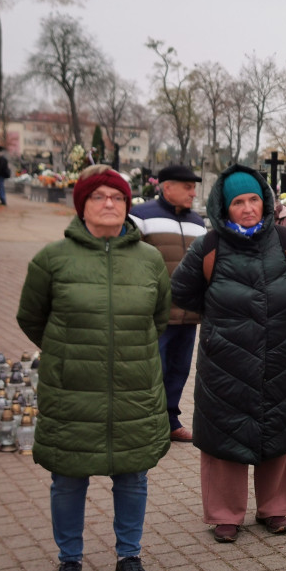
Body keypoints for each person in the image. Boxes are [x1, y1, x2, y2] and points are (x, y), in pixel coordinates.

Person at [16, 165, 171, 571]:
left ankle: (129, 555)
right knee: (68, 478)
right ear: (81, 205)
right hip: (73, 389)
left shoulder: (149, 260)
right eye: (99, 196)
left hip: (133, 387)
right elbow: (31, 317)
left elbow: (159, 318)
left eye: (117, 197)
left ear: (127, 206)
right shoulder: (52, 259)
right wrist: (68, 353)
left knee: (133, 476)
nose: (109, 204)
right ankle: (70, 560)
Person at [171, 166, 286, 543]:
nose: (248, 208)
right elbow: (182, 291)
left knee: (280, 430)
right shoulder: (208, 246)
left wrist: (277, 318)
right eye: (238, 201)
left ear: (265, 201)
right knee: (224, 434)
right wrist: (221, 322)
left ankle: (275, 508)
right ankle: (225, 514)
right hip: (226, 360)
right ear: (224, 207)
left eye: (254, 199)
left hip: (281, 355)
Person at [130, 164, 206, 443]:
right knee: (152, 371)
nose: (193, 193)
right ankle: (145, 424)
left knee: (179, 370)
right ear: (167, 187)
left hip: (189, 314)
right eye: (188, 187)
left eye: (194, 188)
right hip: (155, 314)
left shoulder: (198, 222)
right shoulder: (140, 216)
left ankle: (170, 421)